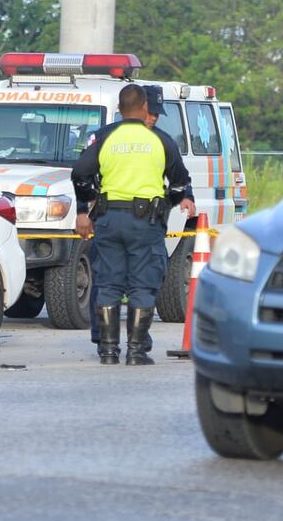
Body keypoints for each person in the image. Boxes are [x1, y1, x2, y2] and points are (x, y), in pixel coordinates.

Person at [72, 84, 196, 366]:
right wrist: (170, 200)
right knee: (143, 285)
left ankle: (107, 351)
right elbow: (179, 181)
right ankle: (137, 352)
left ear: (119, 109)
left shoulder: (103, 137)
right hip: (146, 222)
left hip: (108, 219)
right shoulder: (161, 140)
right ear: (142, 107)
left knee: (108, 283)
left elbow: (80, 173)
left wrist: (85, 206)